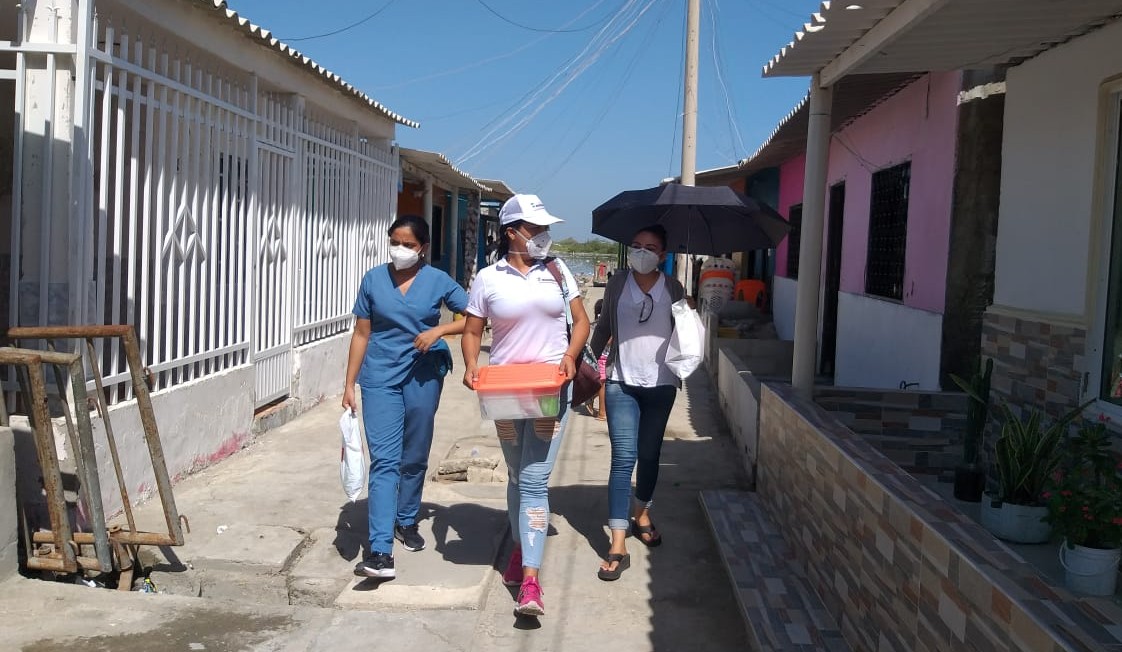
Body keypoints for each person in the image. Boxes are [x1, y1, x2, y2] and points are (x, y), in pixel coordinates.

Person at [461, 194, 590, 617]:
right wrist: (471, 365)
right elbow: (472, 330)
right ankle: (519, 548)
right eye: (535, 229)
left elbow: (582, 321)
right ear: (511, 232)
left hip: (550, 389)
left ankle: (531, 582)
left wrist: (570, 355)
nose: (543, 235)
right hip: (504, 393)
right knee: (517, 473)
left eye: (544, 229)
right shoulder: (487, 278)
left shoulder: (557, 270)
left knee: (534, 478)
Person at [343, 215, 469, 580]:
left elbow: (476, 316)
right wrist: (349, 384)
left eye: (409, 244)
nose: (400, 249)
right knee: (385, 461)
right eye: (395, 242)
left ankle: (407, 518)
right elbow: (361, 334)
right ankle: (380, 551)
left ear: (423, 248)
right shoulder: (373, 280)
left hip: (423, 375)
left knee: (414, 454)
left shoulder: (438, 280)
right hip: (380, 376)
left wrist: (439, 331)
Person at [589, 225, 685, 581]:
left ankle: (641, 513)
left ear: (663, 255)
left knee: (650, 454)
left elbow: (686, 334)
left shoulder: (674, 288)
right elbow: (603, 328)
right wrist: (586, 364)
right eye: (636, 245)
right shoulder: (617, 283)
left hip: (662, 384)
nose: (641, 252)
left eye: (650, 247)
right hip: (621, 381)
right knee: (623, 457)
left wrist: (690, 313)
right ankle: (618, 542)